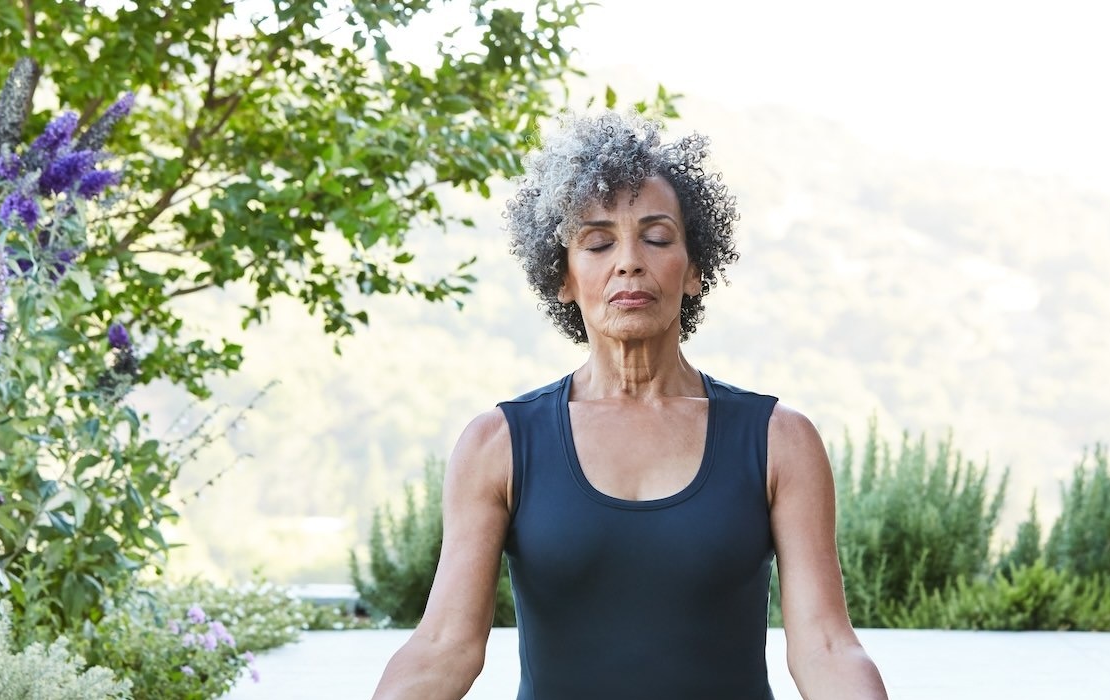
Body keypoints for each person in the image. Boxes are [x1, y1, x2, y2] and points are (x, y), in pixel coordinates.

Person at [372, 111, 888, 700]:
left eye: (657, 237)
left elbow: (826, 647)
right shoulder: (498, 444)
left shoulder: (779, 440)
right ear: (562, 277)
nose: (628, 262)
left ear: (694, 269)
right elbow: (443, 647)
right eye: (597, 243)